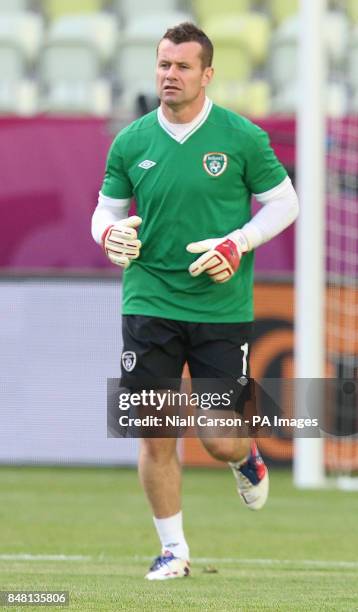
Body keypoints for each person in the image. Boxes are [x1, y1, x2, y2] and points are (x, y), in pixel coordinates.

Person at [92, 22, 299, 580]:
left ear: (207, 74)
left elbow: (285, 203)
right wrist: (107, 235)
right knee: (154, 431)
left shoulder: (242, 137)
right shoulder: (132, 140)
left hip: (219, 307)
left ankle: (245, 456)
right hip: (148, 300)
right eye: (163, 64)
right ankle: (173, 551)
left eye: (182, 66)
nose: (169, 75)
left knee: (218, 437)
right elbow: (106, 209)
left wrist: (238, 242)